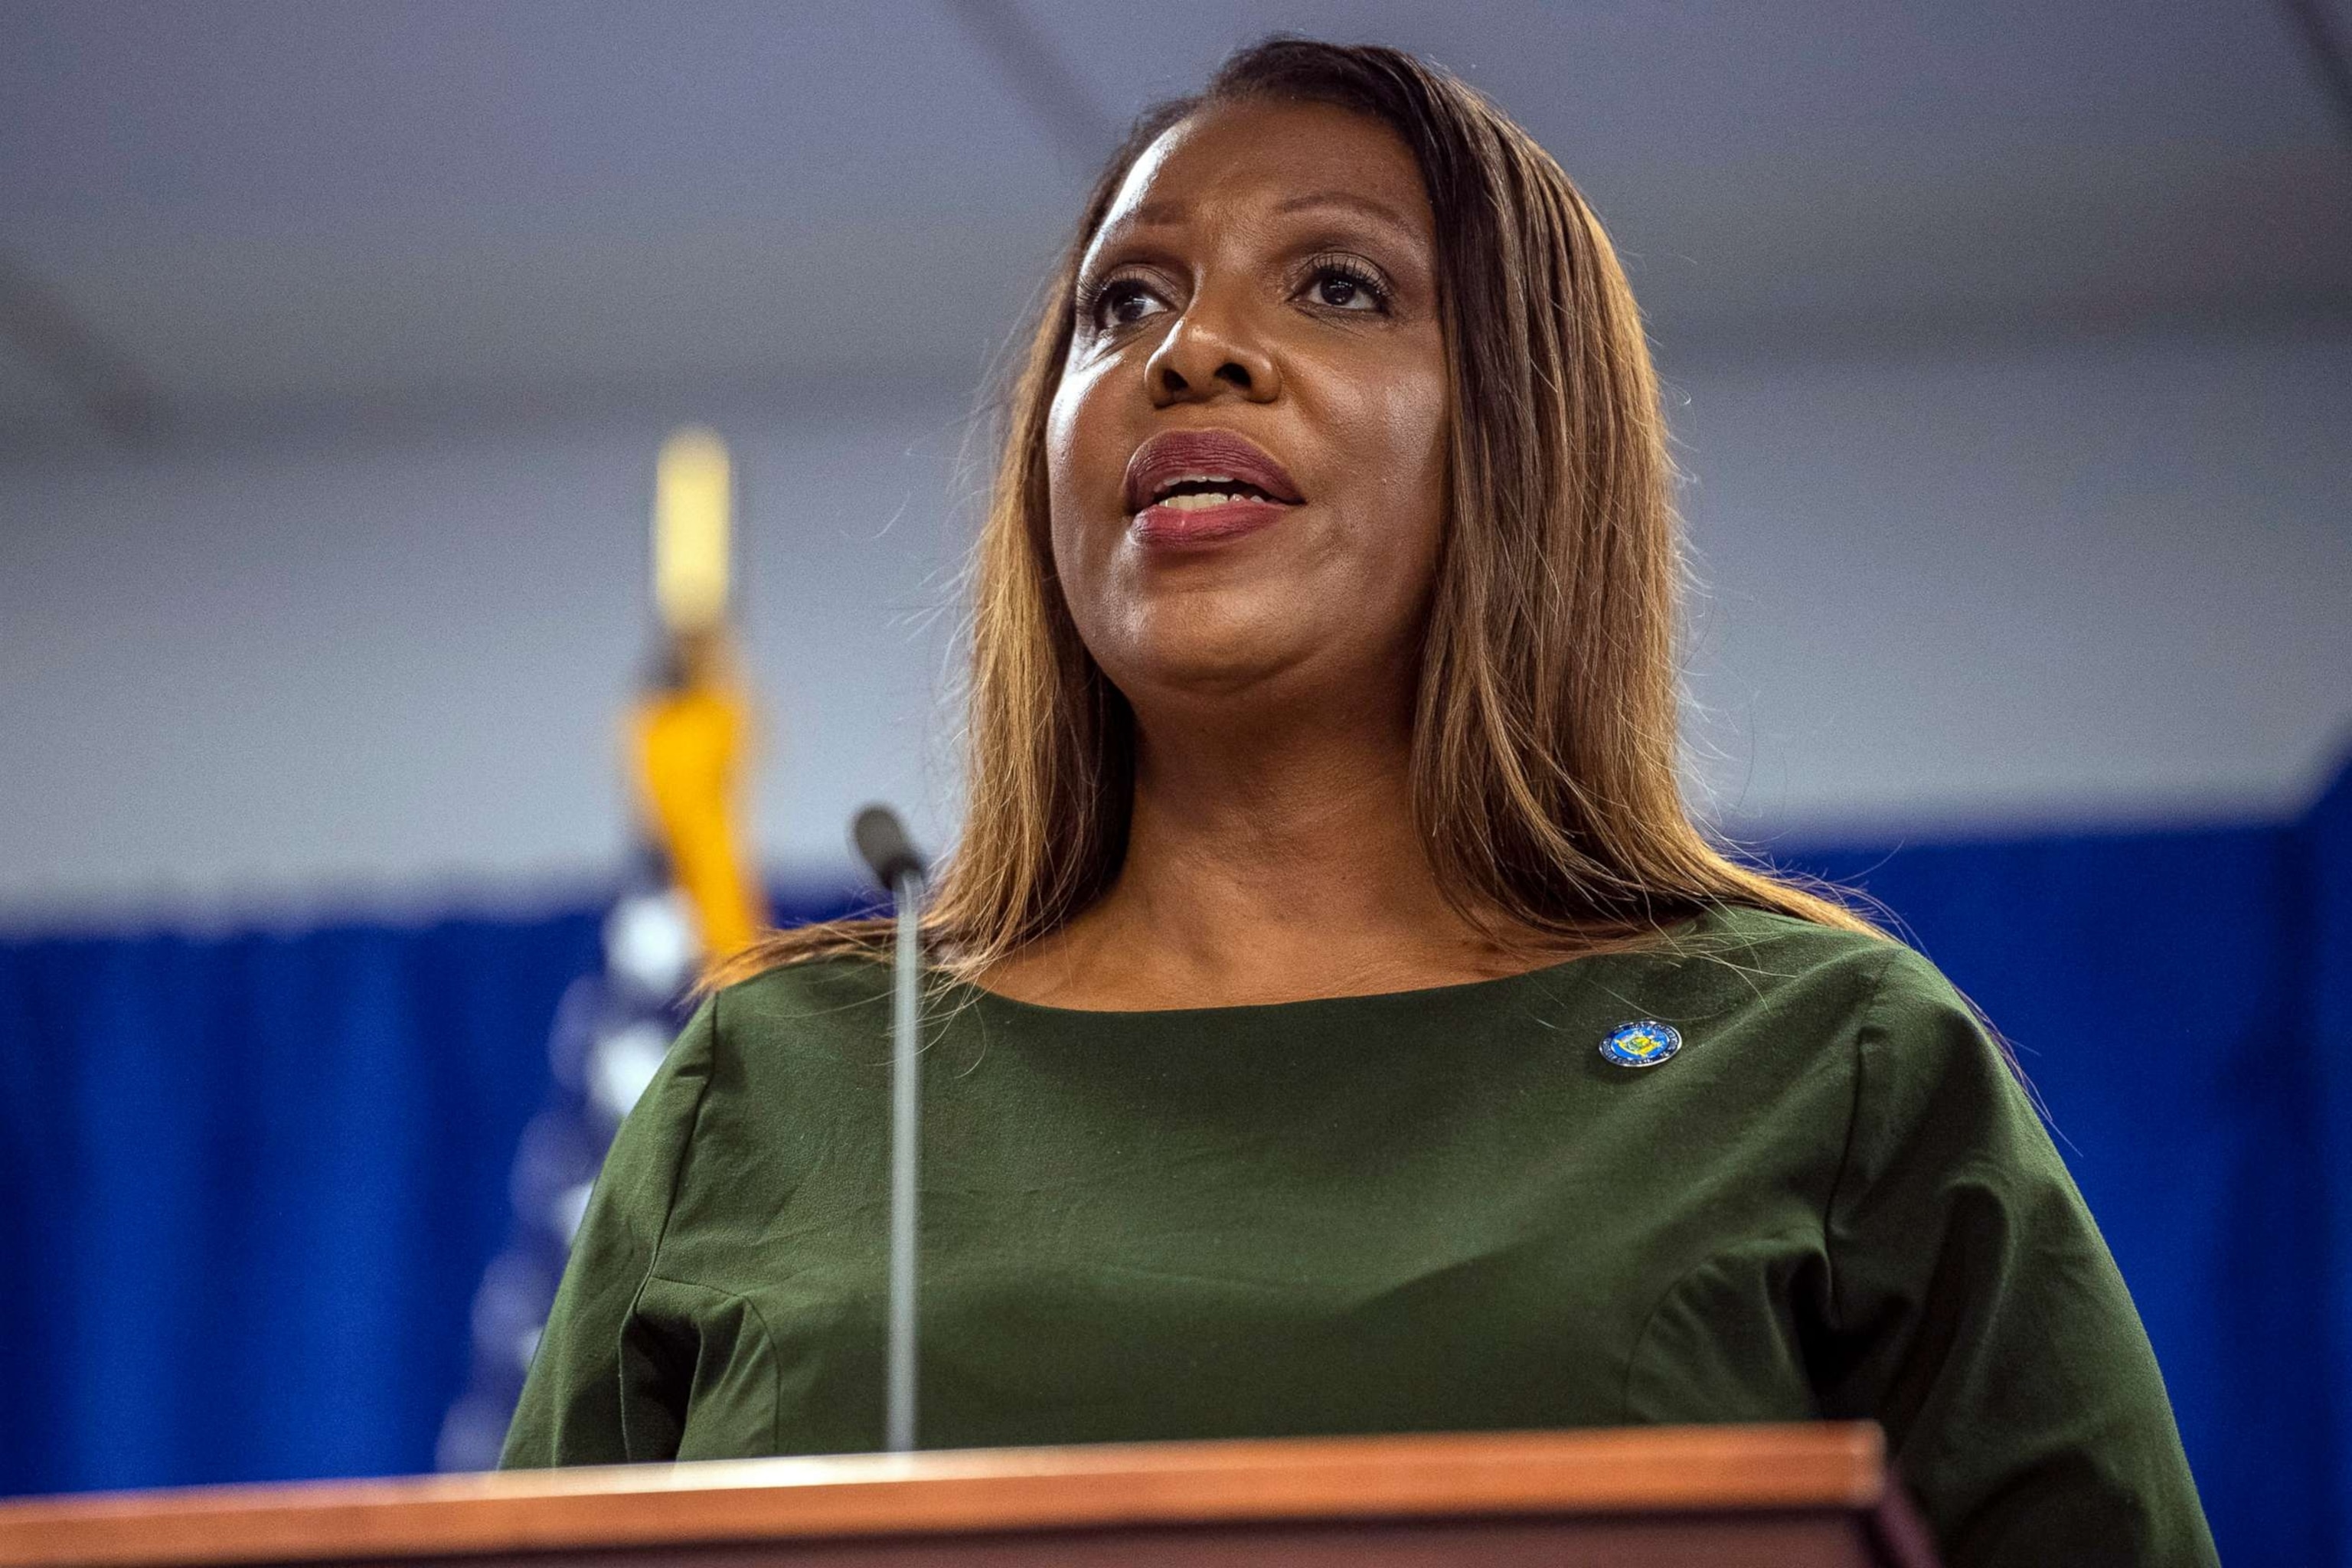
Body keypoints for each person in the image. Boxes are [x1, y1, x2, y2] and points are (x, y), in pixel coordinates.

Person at [501, 38, 2217, 1567]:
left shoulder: (1828, 1068)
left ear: (1523, 439)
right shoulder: (776, 1087)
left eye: (1336, 286)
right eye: (1125, 302)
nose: (1193, 353)